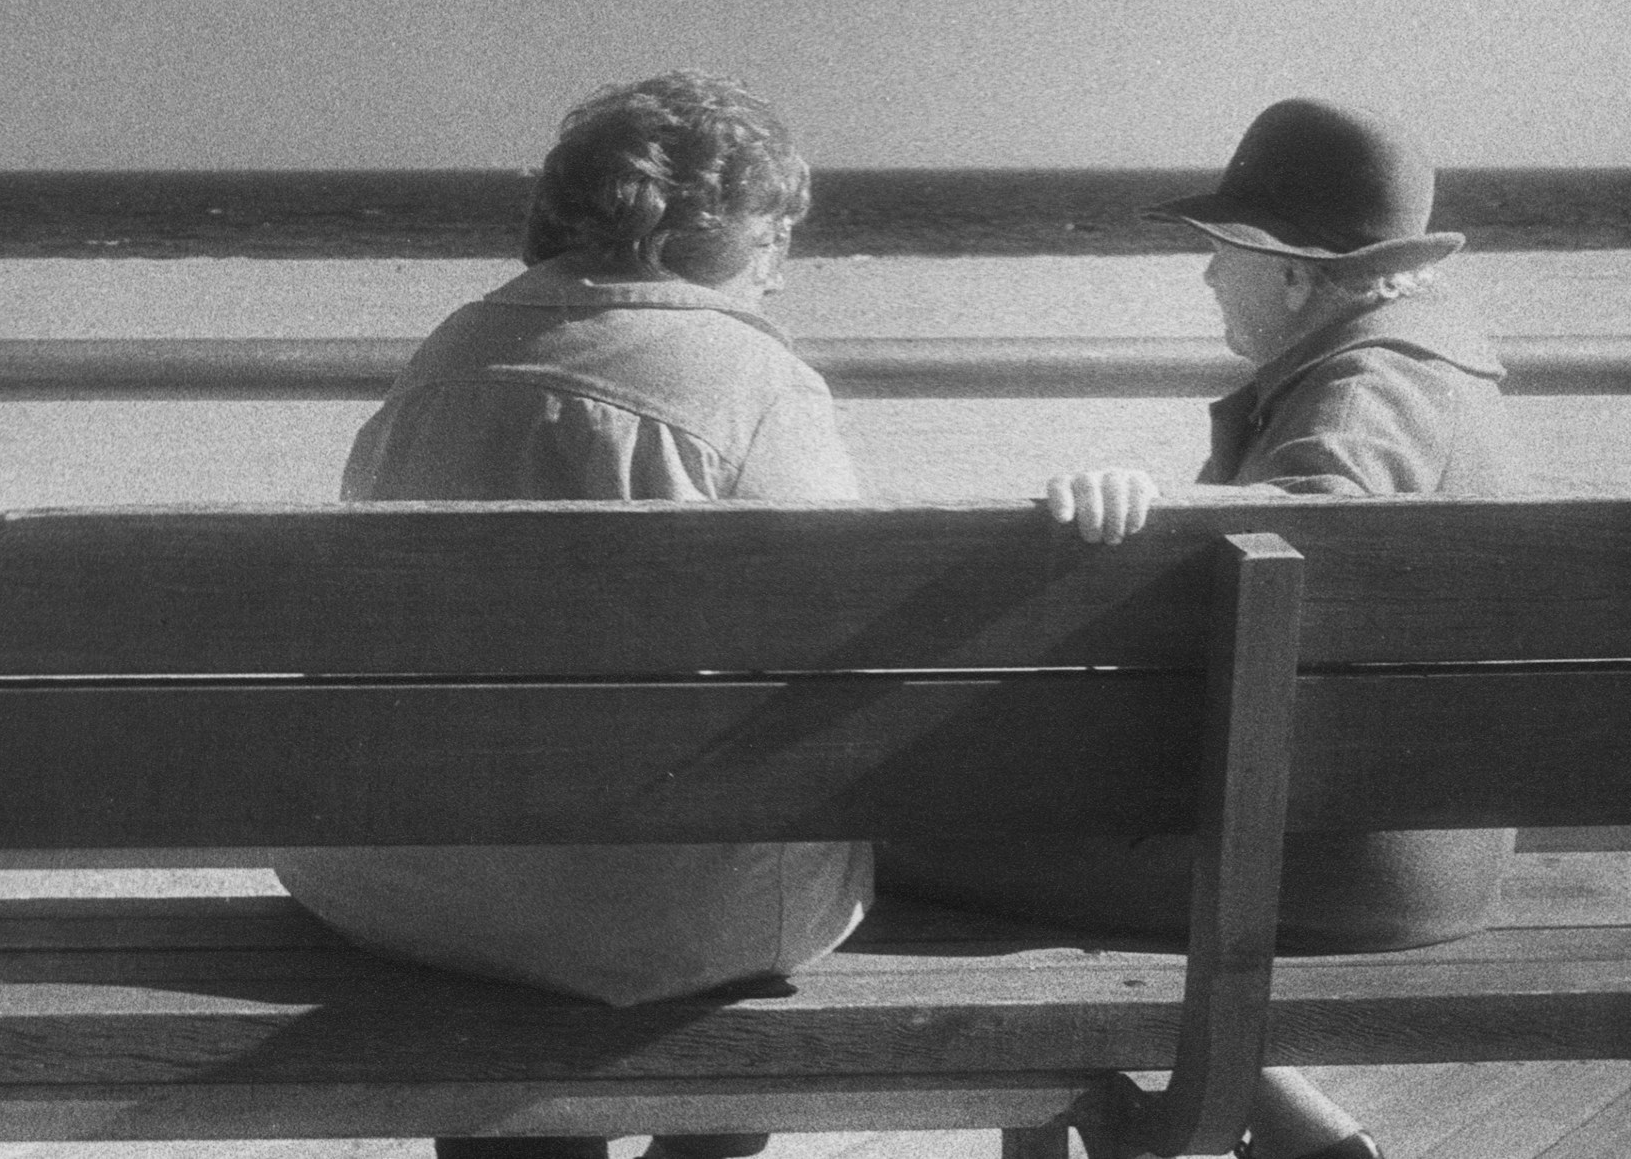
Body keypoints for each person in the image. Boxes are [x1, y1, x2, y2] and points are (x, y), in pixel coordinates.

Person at [888, 97, 1520, 1159]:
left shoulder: (1370, 386)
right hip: (1382, 835)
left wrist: (1150, 514)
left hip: (1340, 858)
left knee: (886, 841)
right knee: (1026, 837)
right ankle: (1298, 1133)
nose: (1205, 275)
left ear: (1290, 270)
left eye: (1221, 252)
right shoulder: (1411, 363)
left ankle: (1099, 1124)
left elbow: (1313, 542)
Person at [271, 73, 870, 1159]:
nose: (785, 263)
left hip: (411, 887)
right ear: (718, 231)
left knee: (530, 874)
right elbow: (846, 650)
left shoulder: (443, 359)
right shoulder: (762, 385)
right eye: (779, 231)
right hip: (672, 916)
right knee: (734, 876)